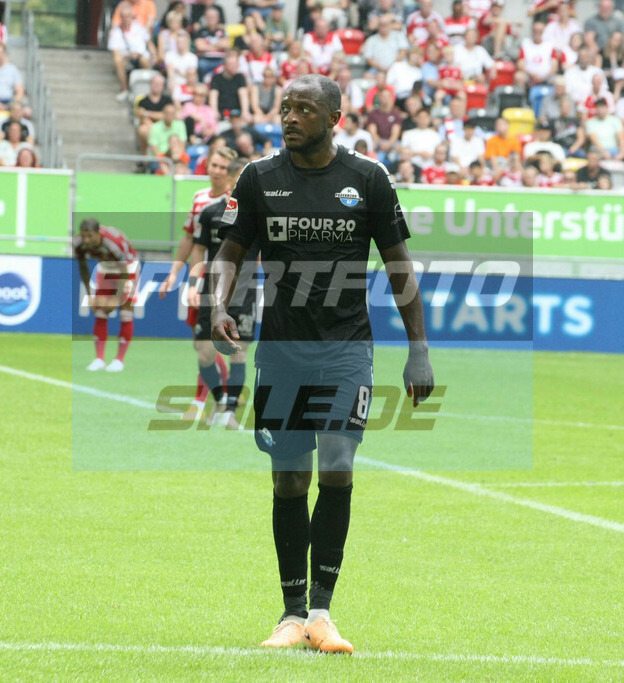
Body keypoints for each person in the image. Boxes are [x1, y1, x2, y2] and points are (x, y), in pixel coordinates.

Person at [208, 73, 433, 654]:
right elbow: (230, 251)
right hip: (282, 351)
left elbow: (399, 266)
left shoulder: (368, 178)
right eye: (286, 107)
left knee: (336, 467)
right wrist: (219, 305)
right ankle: (290, 615)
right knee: (289, 478)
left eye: (304, 109)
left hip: (346, 349)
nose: (290, 117)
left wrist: (419, 349)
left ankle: (322, 613)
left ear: (334, 119)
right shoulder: (258, 178)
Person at [158, 146, 238, 421]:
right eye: (213, 165)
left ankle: (201, 400)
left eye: (222, 167)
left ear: (231, 173)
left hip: (232, 284)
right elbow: (190, 240)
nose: (216, 171)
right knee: (202, 345)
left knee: (219, 344)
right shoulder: (200, 198)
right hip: (204, 280)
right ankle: (219, 395)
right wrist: (175, 273)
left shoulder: (236, 204)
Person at [184, 157, 259, 427]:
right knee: (204, 354)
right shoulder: (210, 213)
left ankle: (229, 413)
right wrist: (193, 284)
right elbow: (197, 249)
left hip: (245, 293)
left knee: (239, 354)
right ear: (230, 180)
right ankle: (219, 399)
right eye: (238, 179)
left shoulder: (260, 215)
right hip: (212, 294)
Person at [74, 218, 140, 373]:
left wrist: (116, 299)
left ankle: (119, 360)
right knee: (100, 311)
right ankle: (99, 359)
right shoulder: (78, 244)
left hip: (127, 268)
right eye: (84, 236)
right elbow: (83, 267)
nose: (86, 240)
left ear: (98, 233)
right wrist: (90, 295)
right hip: (106, 268)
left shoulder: (112, 244)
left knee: (125, 312)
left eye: (90, 236)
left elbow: (124, 270)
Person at [109, 6, 154, 101]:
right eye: (124, 16)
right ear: (121, 17)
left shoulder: (140, 28)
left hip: (141, 57)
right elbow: (116, 53)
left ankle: (150, 89)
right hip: (126, 59)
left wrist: (155, 55)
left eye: (129, 16)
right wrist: (129, 56)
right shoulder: (116, 32)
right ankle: (125, 90)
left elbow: (149, 43)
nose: (127, 18)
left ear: (132, 16)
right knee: (117, 60)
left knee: (145, 60)